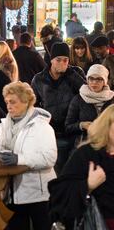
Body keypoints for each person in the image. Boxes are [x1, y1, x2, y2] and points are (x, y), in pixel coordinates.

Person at [0, 82, 57, 230]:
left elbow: (49, 158)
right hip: (12, 193)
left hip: (39, 195)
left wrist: (19, 159)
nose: (8, 106)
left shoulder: (42, 127)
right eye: (7, 102)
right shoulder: (3, 125)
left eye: (13, 102)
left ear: (26, 101)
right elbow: (1, 156)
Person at [48, 105, 114, 229]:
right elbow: (59, 195)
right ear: (106, 126)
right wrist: (87, 185)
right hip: (98, 223)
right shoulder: (86, 154)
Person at [31, 42, 85, 173]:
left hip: (74, 131)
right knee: (57, 171)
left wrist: (70, 73)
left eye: (65, 60)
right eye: (58, 60)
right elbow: (33, 105)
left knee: (74, 171)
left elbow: (86, 93)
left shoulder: (75, 73)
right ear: (51, 60)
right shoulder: (39, 79)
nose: (62, 63)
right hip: (52, 132)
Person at [66, 64, 114, 146]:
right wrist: (81, 125)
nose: (94, 82)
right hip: (86, 144)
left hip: (109, 143)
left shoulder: (112, 98)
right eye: (91, 78)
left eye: (99, 79)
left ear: (105, 81)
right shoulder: (78, 99)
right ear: (87, 80)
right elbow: (68, 127)